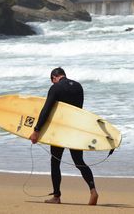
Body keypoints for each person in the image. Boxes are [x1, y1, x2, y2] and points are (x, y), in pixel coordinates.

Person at [29, 67, 98, 205]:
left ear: (54, 78)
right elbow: (79, 111)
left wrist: (36, 130)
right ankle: (93, 190)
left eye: (52, 81)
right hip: (76, 129)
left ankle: (56, 196)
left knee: (55, 162)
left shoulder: (56, 88)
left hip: (60, 131)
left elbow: (46, 110)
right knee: (79, 161)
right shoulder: (78, 87)